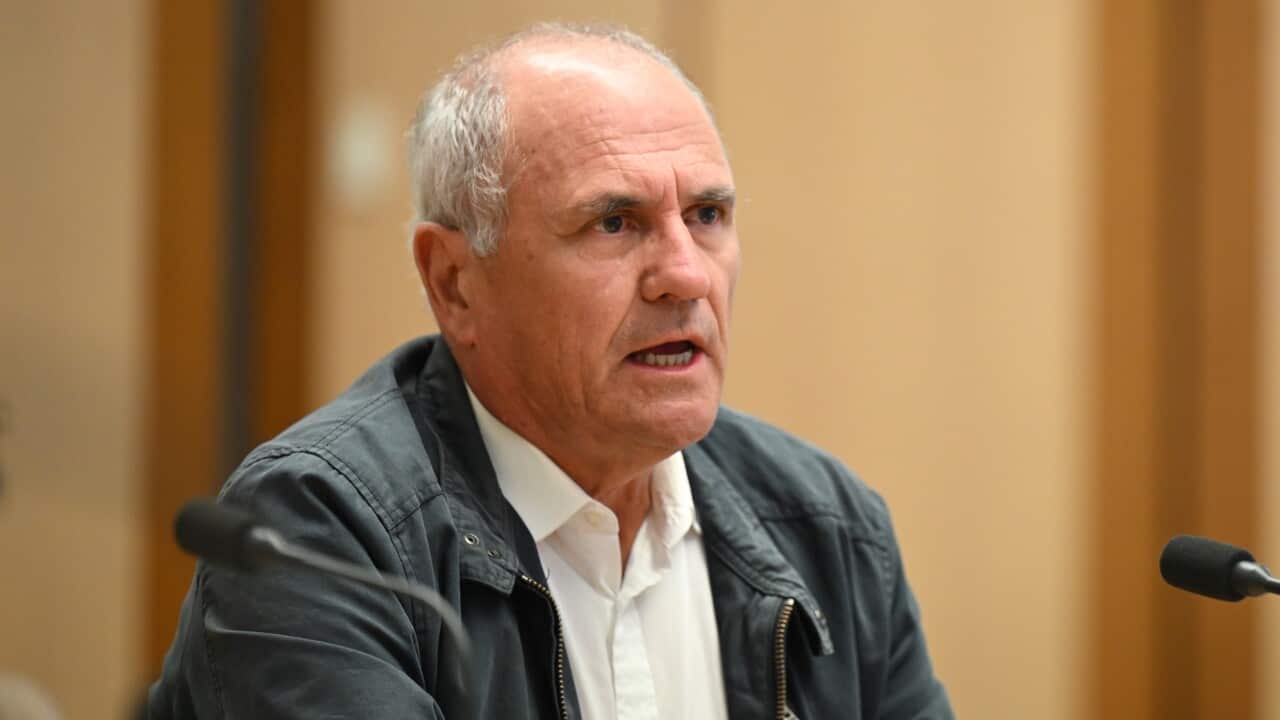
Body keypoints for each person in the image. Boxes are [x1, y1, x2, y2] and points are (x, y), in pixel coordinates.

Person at [147, 22, 952, 719]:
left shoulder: (829, 530)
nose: (686, 274)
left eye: (707, 215)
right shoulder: (323, 533)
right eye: (613, 222)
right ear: (454, 282)